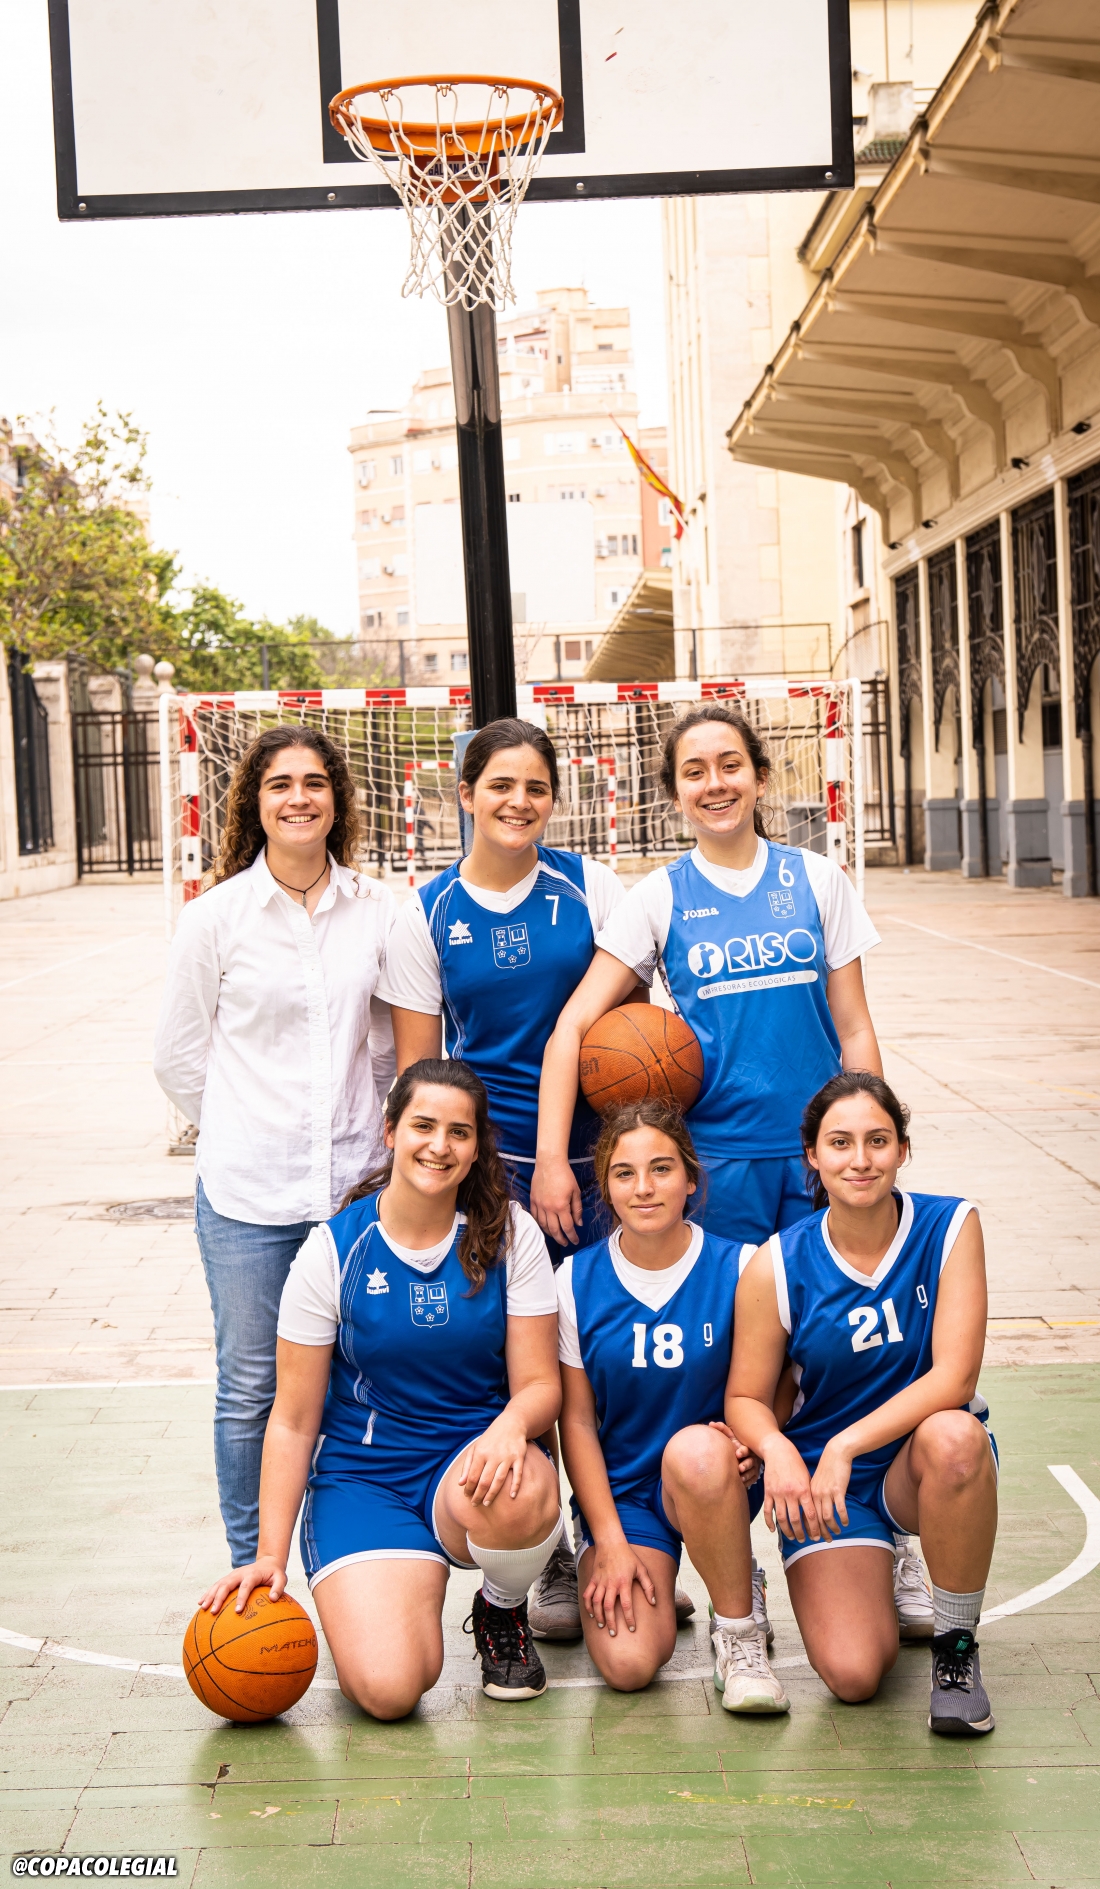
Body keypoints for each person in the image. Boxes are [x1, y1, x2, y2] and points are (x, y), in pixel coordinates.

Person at [199, 1060, 564, 1715]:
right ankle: (402, 1583)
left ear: (476, 1146)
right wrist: (268, 1555)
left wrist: (511, 1427)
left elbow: (540, 1384)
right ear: (390, 1130)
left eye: (459, 1131)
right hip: (366, 1477)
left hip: (469, 1466)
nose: (439, 1145)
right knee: (390, 1690)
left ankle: (501, 1609)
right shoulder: (333, 1251)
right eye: (423, 1125)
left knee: (522, 1485)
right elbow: (292, 1420)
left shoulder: (510, 1234)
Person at [376, 716, 634, 1640]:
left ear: (553, 797)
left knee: (601, 1354)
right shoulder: (425, 912)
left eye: (536, 786)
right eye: (500, 785)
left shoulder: (592, 888)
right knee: (523, 1363)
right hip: (491, 1167)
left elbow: (635, 1024)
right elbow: (424, 1070)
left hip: (597, 1159)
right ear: (465, 794)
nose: (519, 802)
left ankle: (625, 1540)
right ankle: (548, 1547)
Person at [154, 725, 396, 1569]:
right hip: (246, 1198)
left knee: (356, 1382)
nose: (299, 797)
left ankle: (352, 1560)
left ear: (337, 798)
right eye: (280, 784)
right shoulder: (214, 919)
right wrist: (242, 1125)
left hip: (354, 1193)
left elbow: (391, 1050)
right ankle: (252, 1574)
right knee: (252, 1387)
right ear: (254, 803)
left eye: (314, 782)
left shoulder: (378, 909)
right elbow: (177, 1056)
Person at [533, 704, 882, 1252]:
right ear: (676, 796)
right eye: (694, 772)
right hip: (716, 1159)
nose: (715, 783)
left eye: (730, 765)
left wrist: (871, 1137)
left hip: (822, 1150)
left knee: (822, 1303)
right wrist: (550, 1159)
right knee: (731, 1305)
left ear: (759, 778)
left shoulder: (818, 878)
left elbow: (855, 1027)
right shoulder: (658, 895)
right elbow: (571, 1027)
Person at [727, 1072, 999, 1737]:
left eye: (878, 1140)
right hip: (827, 1483)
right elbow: (743, 1397)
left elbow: (955, 1377)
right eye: (840, 1142)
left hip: (912, 1463)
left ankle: (956, 1650)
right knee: (854, 1675)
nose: (861, 1159)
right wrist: (778, 1449)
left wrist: (848, 1444)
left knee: (956, 1437)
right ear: (812, 1155)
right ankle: (879, 1561)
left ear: (902, 1149)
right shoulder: (778, 1263)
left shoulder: (950, 1226)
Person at [558, 1100, 790, 1710]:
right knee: (629, 1664)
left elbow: (782, 1381)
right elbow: (575, 1422)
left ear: (691, 1177)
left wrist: (756, 1443)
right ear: (606, 1186)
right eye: (625, 1173)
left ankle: (739, 1632)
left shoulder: (743, 1267)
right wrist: (608, 1540)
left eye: (661, 1169)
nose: (644, 1187)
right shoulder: (575, 1281)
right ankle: (621, 1557)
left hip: (716, 1476)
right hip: (626, 1496)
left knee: (695, 1452)